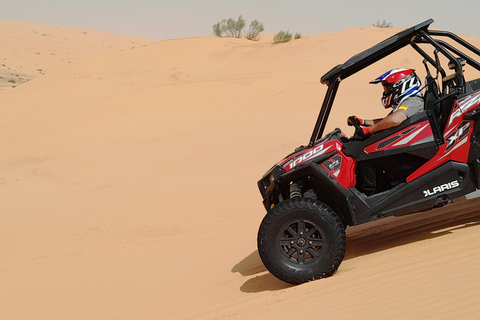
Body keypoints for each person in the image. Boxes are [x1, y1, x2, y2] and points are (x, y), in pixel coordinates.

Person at [348, 68, 425, 196]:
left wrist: (370, 130)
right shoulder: (405, 102)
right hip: (402, 145)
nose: (386, 93)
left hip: (408, 150)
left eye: (387, 89)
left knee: (365, 153)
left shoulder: (413, 102)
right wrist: (363, 121)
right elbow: (386, 120)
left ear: (402, 86)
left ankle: (368, 194)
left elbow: (394, 120)